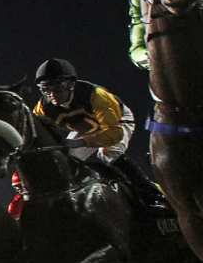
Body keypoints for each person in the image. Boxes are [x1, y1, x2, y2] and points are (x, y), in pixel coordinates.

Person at [32, 58, 166, 212]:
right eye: (45, 89)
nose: (52, 94)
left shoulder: (96, 95)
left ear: (70, 84)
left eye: (58, 87)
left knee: (109, 153)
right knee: (66, 159)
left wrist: (80, 142)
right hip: (87, 127)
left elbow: (114, 133)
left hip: (116, 122)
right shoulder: (42, 107)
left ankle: (151, 195)